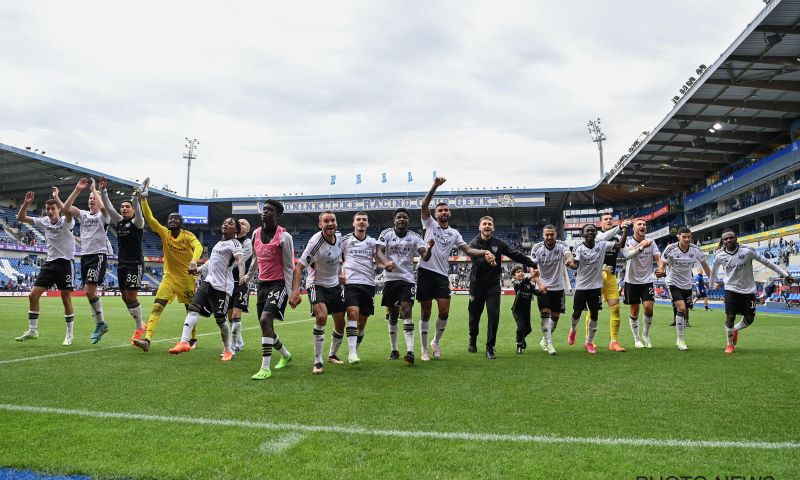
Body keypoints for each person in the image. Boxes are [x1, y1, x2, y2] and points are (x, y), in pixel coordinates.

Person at [417, 177, 495, 361]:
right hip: (425, 272)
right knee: (426, 312)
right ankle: (424, 349)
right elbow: (423, 205)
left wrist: (484, 251)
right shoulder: (429, 224)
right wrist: (435, 186)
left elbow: (467, 249)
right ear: (435, 214)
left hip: (442, 275)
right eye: (440, 210)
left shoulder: (454, 233)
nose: (443, 212)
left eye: (446, 210)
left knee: (444, 312)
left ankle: (435, 342)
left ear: (449, 214)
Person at [132, 182, 204, 352]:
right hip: (169, 277)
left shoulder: (187, 236)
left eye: (176, 218)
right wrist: (143, 200)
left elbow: (199, 246)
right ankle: (147, 340)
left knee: (190, 309)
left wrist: (194, 260)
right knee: (157, 306)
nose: (172, 220)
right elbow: (150, 219)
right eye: (171, 218)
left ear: (181, 222)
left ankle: (192, 340)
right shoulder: (164, 233)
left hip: (187, 278)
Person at [168, 218, 246, 361]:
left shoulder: (235, 243)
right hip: (208, 283)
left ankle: (228, 349)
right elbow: (211, 263)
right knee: (193, 308)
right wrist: (198, 270)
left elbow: (240, 260)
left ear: (236, 230)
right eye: (224, 222)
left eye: (229, 223)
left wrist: (241, 276)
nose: (224, 224)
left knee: (220, 320)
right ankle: (184, 342)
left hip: (222, 287)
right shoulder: (218, 243)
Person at [710, 229, 795, 354]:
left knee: (749, 319)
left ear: (736, 238)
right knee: (730, 316)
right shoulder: (719, 256)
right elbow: (714, 271)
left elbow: (767, 262)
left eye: (731, 237)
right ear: (722, 241)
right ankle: (729, 344)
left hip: (748, 290)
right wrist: (712, 285)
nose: (728, 240)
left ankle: (734, 330)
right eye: (725, 239)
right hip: (731, 289)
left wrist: (784, 274)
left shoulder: (748, 251)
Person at [467, 216, 536, 359]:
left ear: (493, 228)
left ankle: (490, 347)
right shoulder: (473, 244)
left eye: (489, 224)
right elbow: (475, 260)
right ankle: (473, 338)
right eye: (484, 224)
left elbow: (515, 254)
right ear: (479, 227)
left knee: (494, 315)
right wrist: (486, 259)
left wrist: (532, 264)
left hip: (493, 286)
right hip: (476, 285)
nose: (487, 226)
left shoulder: (498, 243)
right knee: (474, 316)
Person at [14, 189, 76, 345]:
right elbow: (20, 217)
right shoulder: (44, 221)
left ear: (58, 209)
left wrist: (58, 197)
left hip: (65, 263)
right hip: (50, 263)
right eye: (47, 209)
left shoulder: (66, 221)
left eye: (52, 208)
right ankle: (33, 330)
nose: (49, 211)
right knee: (33, 295)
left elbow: (68, 212)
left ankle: (69, 334)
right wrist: (27, 203)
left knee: (65, 297)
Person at [242, 200, 294, 380]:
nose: (265, 212)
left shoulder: (284, 237)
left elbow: (289, 266)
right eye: (264, 209)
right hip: (262, 284)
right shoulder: (256, 233)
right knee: (267, 326)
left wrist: (292, 291)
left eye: (270, 210)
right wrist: (248, 278)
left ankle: (265, 367)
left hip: (278, 284)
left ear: (277, 215)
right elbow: (256, 260)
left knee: (265, 320)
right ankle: (286, 355)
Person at [289, 211, 346, 375]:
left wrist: (339, 275)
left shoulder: (340, 238)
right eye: (326, 221)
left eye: (332, 220)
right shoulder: (315, 242)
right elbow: (299, 267)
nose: (330, 224)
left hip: (334, 285)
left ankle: (332, 354)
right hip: (316, 284)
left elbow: (339, 260)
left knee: (340, 322)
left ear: (336, 223)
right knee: (321, 316)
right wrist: (295, 291)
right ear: (320, 224)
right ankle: (318, 360)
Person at [377, 208, 432, 364]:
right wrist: (386, 262)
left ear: (408, 220)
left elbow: (425, 256)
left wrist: (430, 248)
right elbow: (379, 251)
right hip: (389, 278)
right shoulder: (386, 234)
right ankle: (394, 350)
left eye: (405, 217)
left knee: (406, 309)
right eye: (399, 217)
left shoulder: (415, 237)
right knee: (393, 316)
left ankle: (410, 351)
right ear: (394, 220)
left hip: (407, 279)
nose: (402, 219)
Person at [339, 211, 393, 364]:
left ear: (368, 224)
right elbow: (337, 257)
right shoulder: (345, 240)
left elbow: (378, 260)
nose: (361, 222)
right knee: (352, 312)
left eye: (364, 220)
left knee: (362, 323)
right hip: (351, 283)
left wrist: (386, 265)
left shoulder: (372, 242)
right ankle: (352, 353)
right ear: (353, 223)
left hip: (368, 284)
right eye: (358, 219)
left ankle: (354, 348)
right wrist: (339, 273)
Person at [566, 222, 627, 354]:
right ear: (583, 234)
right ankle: (573, 330)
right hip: (581, 286)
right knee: (576, 313)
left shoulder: (602, 245)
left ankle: (589, 342)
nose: (590, 232)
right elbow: (576, 265)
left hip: (596, 286)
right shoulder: (579, 248)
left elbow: (620, 245)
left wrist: (625, 230)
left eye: (593, 230)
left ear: (596, 233)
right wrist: (571, 265)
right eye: (587, 231)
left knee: (594, 314)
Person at [63, 178, 111, 344]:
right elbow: (66, 208)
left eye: (94, 197)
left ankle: (101, 323)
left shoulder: (103, 217)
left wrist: (95, 190)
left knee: (89, 291)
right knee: (89, 291)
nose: (91, 199)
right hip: (84, 256)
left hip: (98, 255)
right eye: (90, 197)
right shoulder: (83, 214)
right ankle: (100, 324)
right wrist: (77, 189)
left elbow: (104, 207)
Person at [98, 177, 146, 344]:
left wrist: (135, 198)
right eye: (123, 207)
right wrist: (103, 190)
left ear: (132, 209)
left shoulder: (138, 222)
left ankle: (140, 326)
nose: (124, 209)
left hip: (135, 264)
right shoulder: (119, 222)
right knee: (125, 297)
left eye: (127, 207)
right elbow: (109, 207)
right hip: (122, 264)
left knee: (131, 296)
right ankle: (139, 323)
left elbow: (139, 212)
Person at [656, 227, 711, 350]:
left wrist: (712, 280)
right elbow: (662, 266)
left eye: (689, 237)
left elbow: (705, 265)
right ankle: (680, 340)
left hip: (687, 284)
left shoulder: (695, 249)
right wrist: (660, 271)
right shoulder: (670, 249)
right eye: (684, 237)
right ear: (678, 237)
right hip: (673, 283)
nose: (686, 239)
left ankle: (680, 336)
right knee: (681, 308)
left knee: (685, 311)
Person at [585, 213, 630, 352]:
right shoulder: (596, 235)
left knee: (616, 308)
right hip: (596, 276)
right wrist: (620, 227)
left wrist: (640, 249)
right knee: (593, 309)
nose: (609, 220)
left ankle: (614, 342)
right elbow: (604, 238)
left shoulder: (618, 237)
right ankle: (589, 340)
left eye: (611, 219)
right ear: (600, 223)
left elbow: (627, 254)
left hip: (610, 276)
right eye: (606, 219)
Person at [529, 224, 573, 356]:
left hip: (559, 288)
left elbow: (568, 254)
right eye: (546, 234)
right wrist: (539, 283)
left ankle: (544, 340)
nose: (549, 237)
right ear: (543, 235)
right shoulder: (537, 248)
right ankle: (549, 344)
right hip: (543, 287)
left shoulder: (561, 245)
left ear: (555, 234)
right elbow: (532, 267)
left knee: (555, 317)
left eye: (551, 234)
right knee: (545, 314)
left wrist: (569, 260)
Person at [621, 219, 661, 349]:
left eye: (644, 224)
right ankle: (636, 338)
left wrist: (660, 268)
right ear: (634, 228)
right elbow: (628, 255)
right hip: (631, 281)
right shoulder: (627, 241)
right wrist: (641, 246)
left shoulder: (652, 241)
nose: (642, 226)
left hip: (647, 280)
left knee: (649, 307)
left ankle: (645, 334)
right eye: (639, 224)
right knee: (634, 310)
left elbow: (657, 258)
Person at [228, 218, 253, 351]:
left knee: (236, 313)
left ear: (247, 230)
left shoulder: (248, 242)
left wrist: (224, 266)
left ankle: (231, 347)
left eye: (244, 223)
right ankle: (239, 342)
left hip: (240, 282)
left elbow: (241, 259)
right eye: (239, 222)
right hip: (227, 282)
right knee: (229, 314)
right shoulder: (229, 241)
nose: (240, 224)